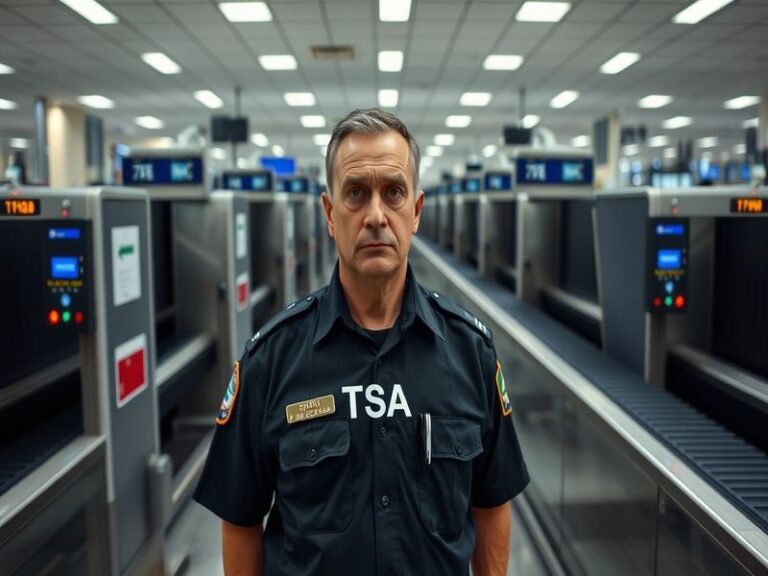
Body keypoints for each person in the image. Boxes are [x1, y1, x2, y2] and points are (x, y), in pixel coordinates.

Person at [194, 108, 529, 576]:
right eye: (356, 193)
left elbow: (492, 504)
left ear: (416, 211)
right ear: (331, 214)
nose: (376, 216)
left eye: (393, 192)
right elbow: (241, 520)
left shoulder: (470, 352)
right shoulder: (271, 360)